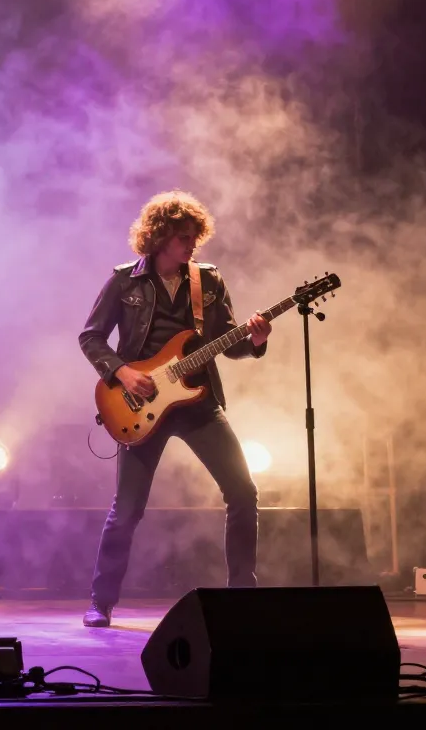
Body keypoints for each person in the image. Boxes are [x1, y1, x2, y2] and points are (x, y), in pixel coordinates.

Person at [77, 190, 271, 628]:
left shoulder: (208, 281)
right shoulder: (124, 281)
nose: (191, 245)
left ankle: (243, 596)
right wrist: (123, 373)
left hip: (198, 403)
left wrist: (256, 341)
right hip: (140, 406)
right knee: (127, 509)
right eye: (184, 237)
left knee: (243, 492)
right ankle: (100, 602)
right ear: (159, 236)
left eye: (195, 237)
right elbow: (90, 337)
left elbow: (229, 343)